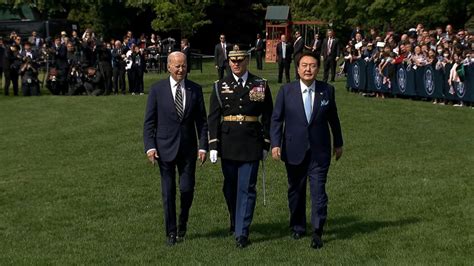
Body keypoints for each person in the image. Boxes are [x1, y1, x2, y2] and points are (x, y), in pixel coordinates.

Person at [270, 52, 343, 249]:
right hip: (293, 149)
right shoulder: (286, 91)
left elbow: (333, 119)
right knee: (296, 190)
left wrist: (338, 142)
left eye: (312, 65)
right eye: (304, 65)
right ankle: (297, 226)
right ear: (297, 68)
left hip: (320, 151)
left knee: (319, 191)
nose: (308, 69)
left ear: (318, 69)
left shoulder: (327, 90)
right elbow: (277, 119)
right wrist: (275, 143)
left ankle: (317, 230)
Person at [208, 50, 273, 248]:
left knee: (247, 188)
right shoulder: (220, 86)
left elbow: (269, 115)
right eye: (232, 61)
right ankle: (235, 219)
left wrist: (266, 142)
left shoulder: (259, 84)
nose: (236, 64)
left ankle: (242, 232)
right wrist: (213, 144)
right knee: (230, 187)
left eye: (240, 60)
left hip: (251, 142)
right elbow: (213, 117)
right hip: (228, 143)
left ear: (247, 60)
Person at [143, 51, 208, 246]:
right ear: (169, 67)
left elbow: (202, 122)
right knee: (168, 192)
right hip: (164, 149)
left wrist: (203, 147)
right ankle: (171, 232)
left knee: (187, 189)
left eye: (183, 66)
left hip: (188, 150)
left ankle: (183, 222)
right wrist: (150, 147)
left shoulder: (195, 89)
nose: (181, 69)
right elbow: (149, 123)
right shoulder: (157, 90)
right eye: (177, 66)